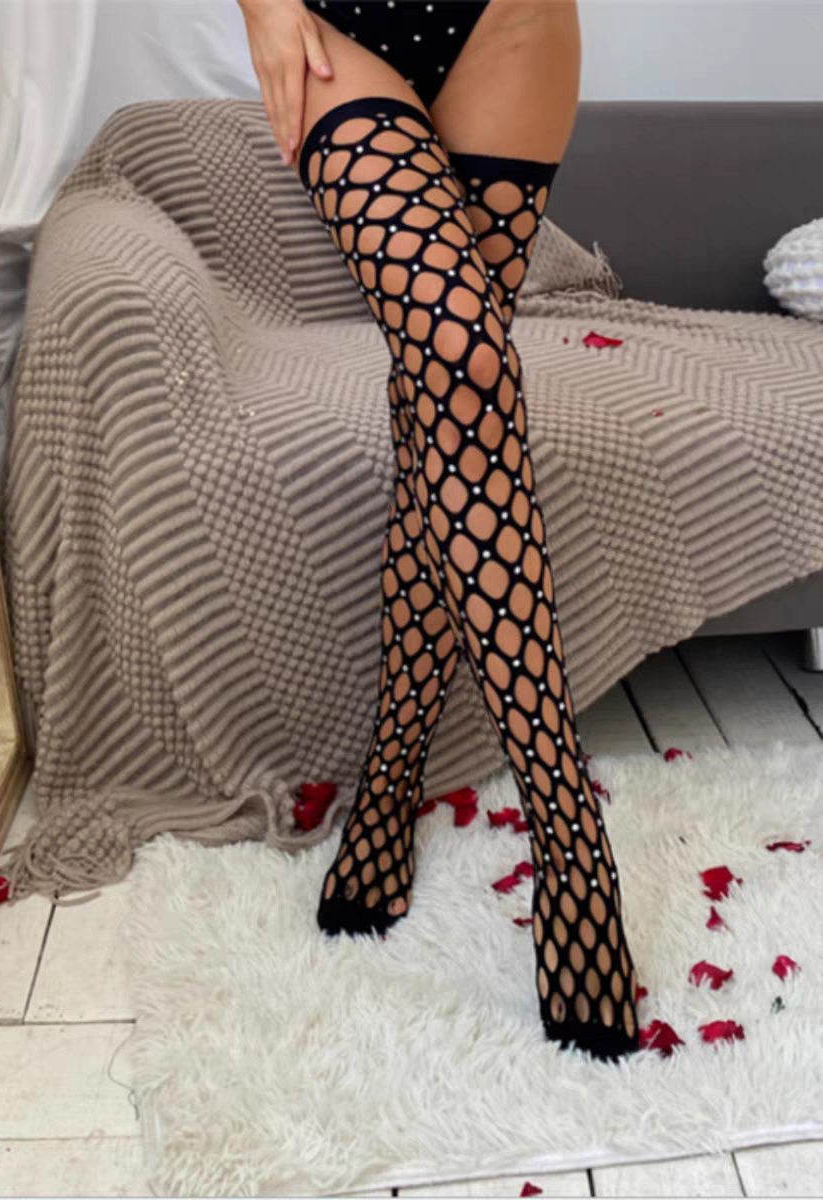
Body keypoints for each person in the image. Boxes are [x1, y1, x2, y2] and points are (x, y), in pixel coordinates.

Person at [237, 0, 641, 1062]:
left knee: (447, 385)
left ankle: (399, 769)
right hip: (338, 27)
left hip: (511, 24)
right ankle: (569, 821)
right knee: (463, 355)